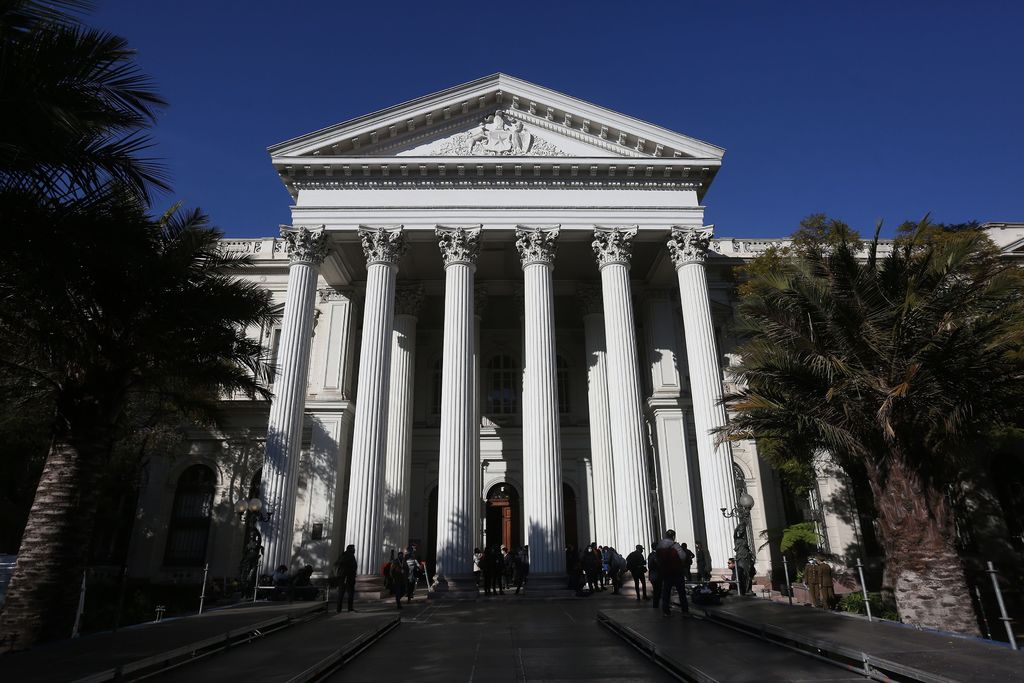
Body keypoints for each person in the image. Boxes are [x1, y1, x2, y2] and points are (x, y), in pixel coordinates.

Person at [656, 530, 690, 616]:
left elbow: (657, 559)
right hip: (677, 572)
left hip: (666, 572)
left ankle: (666, 611)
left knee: (666, 592)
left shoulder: (659, 546)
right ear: (673, 536)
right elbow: (683, 556)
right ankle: (685, 611)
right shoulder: (675, 545)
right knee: (681, 592)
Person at [334, 544, 357, 613]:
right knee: (350, 593)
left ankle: (338, 609)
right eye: (353, 548)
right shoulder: (350, 556)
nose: (354, 550)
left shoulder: (343, 555)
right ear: (350, 549)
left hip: (342, 577)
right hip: (347, 578)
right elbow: (350, 567)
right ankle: (350, 608)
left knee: (341, 593)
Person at [647, 542, 661, 610]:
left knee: (657, 590)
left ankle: (656, 604)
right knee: (657, 590)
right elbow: (652, 565)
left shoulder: (651, 555)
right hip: (656, 575)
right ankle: (656, 604)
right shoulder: (655, 555)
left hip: (654, 575)